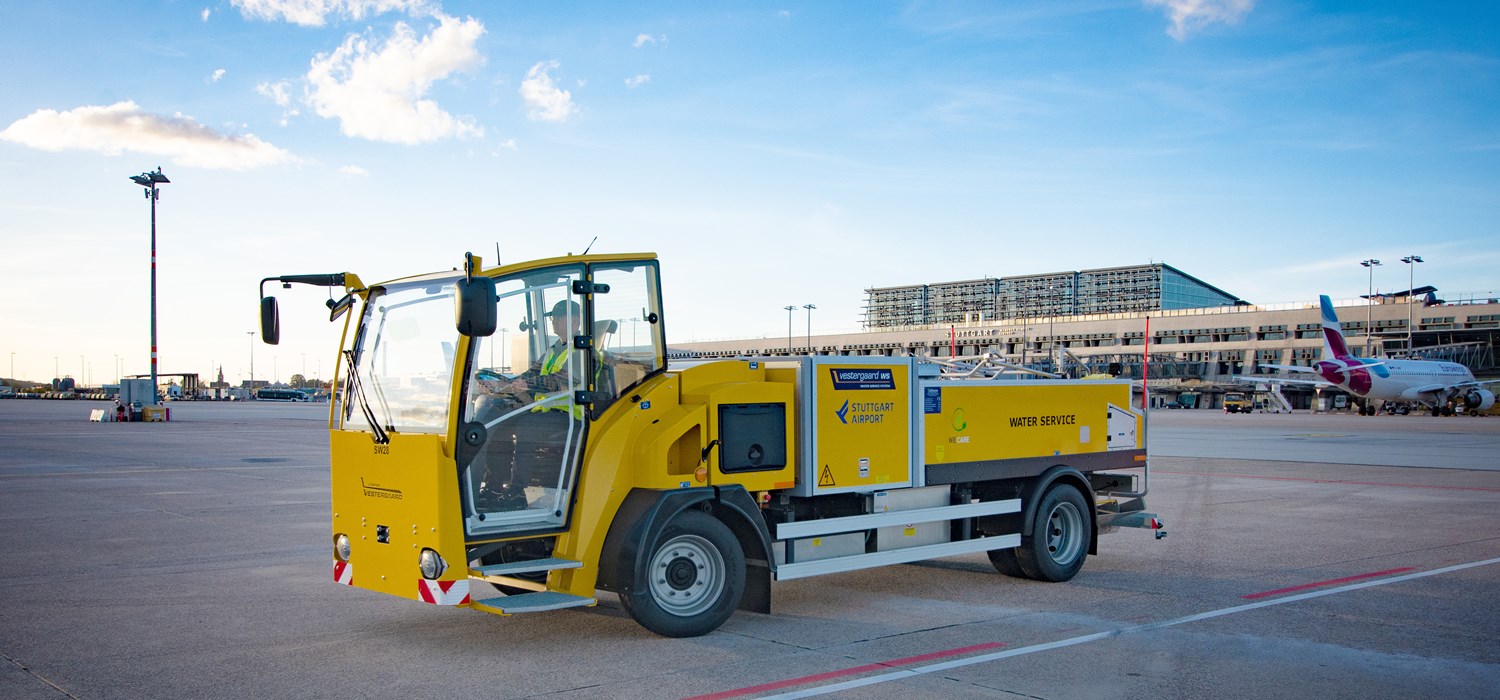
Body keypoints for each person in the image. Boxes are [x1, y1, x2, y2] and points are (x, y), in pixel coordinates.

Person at [471, 299, 585, 512]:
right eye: (553, 318)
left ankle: (516, 493)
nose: (553, 322)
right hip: (545, 412)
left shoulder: (581, 349)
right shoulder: (554, 350)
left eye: (558, 317)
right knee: (501, 425)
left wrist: (528, 384)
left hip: (570, 416)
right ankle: (494, 488)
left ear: (574, 321)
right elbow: (532, 373)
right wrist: (506, 383)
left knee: (527, 427)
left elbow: (563, 380)